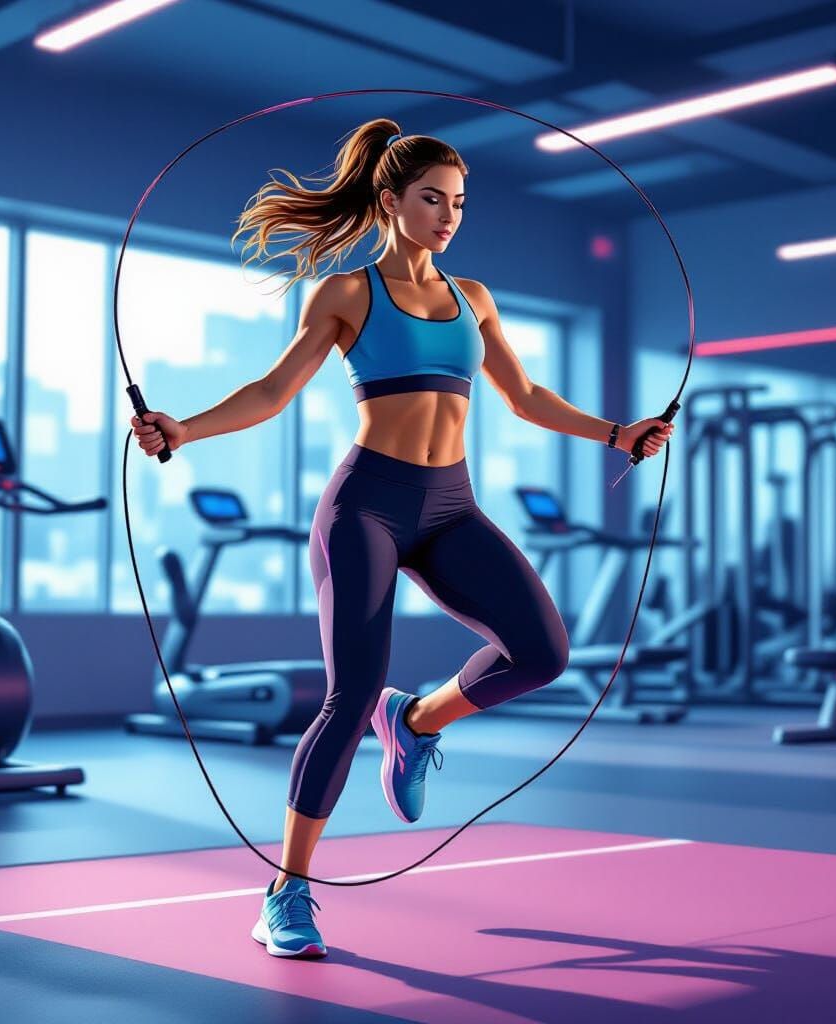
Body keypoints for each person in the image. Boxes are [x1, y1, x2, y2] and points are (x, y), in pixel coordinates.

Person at [130, 118, 673, 959]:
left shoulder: (475, 298)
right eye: (432, 199)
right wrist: (185, 430)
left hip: (451, 505)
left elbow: (525, 397)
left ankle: (417, 722)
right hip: (368, 507)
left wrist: (617, 434)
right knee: (349, 696)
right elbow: (273, 390)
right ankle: (287, 889)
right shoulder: (349, 294)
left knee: (543, 652)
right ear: (390, 200)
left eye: (458, 202)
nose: (449, 214)